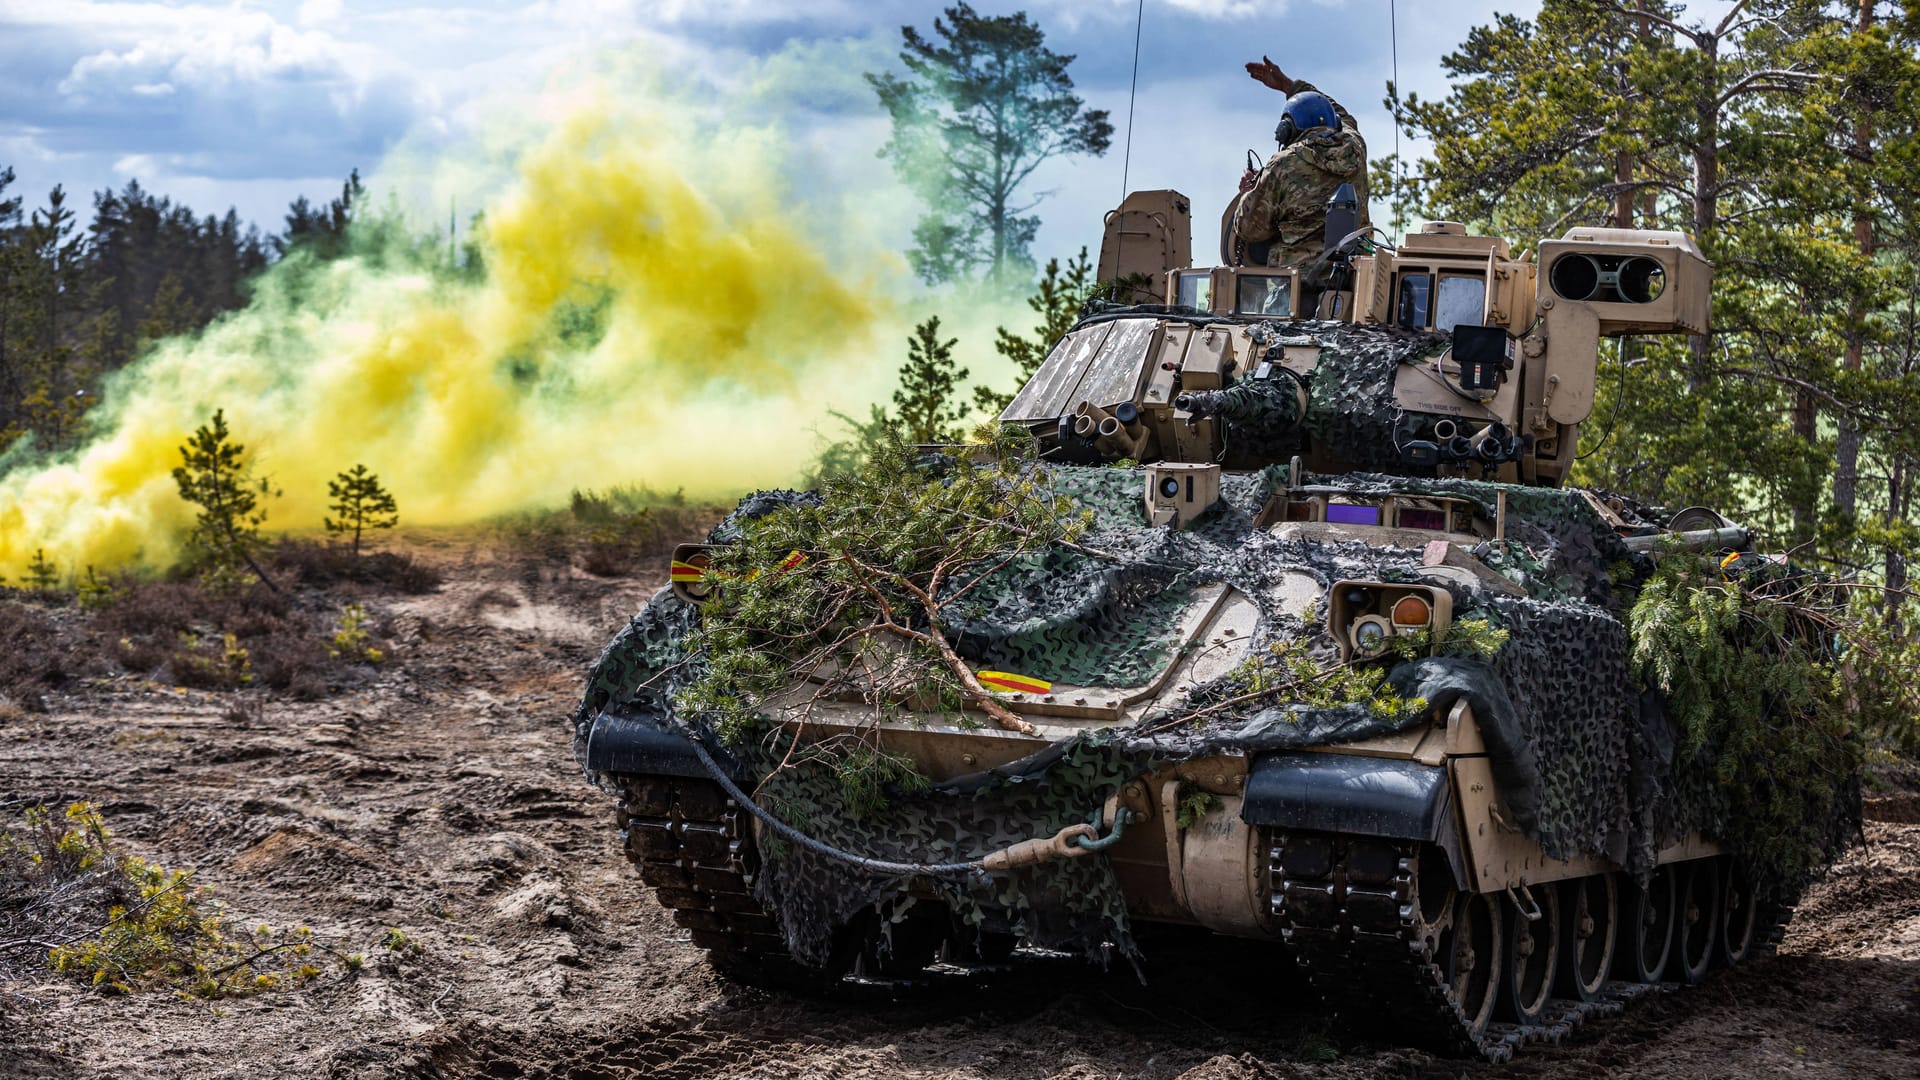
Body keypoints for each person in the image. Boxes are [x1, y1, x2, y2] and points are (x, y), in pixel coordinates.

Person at [1228, 57, 1370, 269]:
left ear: (1287, 130)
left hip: (1295, 287)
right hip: (1355, 277)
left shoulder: (1282, 166)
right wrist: (1289, 85)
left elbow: (1249, 229)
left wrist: (1248, 193)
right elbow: (1340, 113)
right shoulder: (1355, 146)